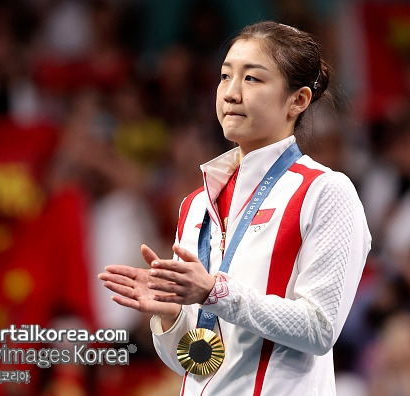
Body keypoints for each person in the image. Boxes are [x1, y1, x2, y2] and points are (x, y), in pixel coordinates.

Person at [98, 21, 371, 395]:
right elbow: (196, 361)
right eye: (225, 76)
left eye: (252, 79)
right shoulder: (196, 205)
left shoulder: (325, 192)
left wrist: (214, 292)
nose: (230, 93)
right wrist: (169, 315)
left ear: (298, 100)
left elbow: (320, 328)